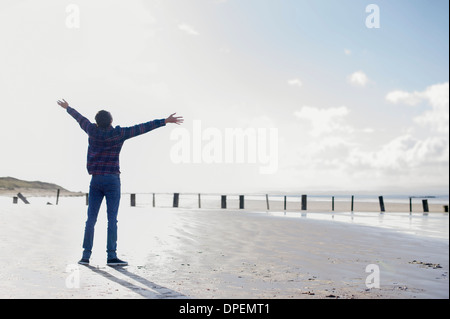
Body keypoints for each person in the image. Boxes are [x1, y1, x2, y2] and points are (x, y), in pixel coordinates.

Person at [57, 99, 183, 266]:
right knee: (112, 219)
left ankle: (85, 256)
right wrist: (164, 121)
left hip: (95, 179)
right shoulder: (119, 134)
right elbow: (142, 128)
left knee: (91, 219)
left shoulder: (92, 131)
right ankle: (111, 256)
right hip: (112, 180)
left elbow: (80, 118)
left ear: (96, 122)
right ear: (111, 121)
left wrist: (68, 108)